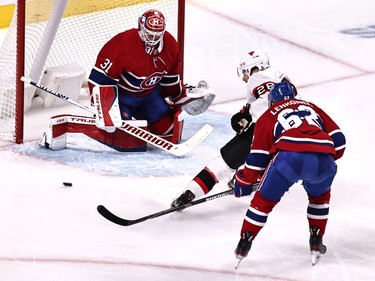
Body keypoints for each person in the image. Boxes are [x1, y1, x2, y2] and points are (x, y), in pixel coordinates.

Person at [40, 9, 214, 152]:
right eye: (148, 33)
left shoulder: (170, 45)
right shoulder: (122, 44)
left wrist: (181, 98)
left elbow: (170, 81)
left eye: (157, 34)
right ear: (140, 27)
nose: (152, 39)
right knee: (127, 140)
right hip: (123, 98)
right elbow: (100, 81)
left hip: (150, 95)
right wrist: (106, 111)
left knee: (167, 131)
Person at [233, 81, 346, 268]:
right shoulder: (312, 107)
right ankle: (316, 242)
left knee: (263, 202)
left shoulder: (267, 115)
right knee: (320, 198)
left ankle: (244, 244)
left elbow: (257, 160)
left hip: (289, 160)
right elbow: (340, 143)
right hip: (324, 160)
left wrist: (243, 181)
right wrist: (320, 155)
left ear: (271, 101)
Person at [171, 50, 291, 208]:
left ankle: (189, 193)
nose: (244, 78)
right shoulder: (284, 79)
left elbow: (254, 112)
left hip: (262, 130)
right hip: (290, 134)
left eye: (245, 73)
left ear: (253, 68)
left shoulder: (255, 78)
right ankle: (258, 173)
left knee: (220, 166)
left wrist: (242, 117)